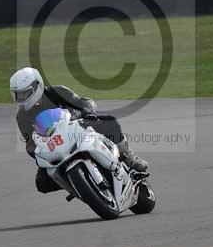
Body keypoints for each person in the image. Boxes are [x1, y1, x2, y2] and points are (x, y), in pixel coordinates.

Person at [9, 67, 148, 193]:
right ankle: (79, 185)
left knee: (109, 122)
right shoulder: (22, 116)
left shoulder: (55, 92)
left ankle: (128, 157)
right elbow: (30, 143)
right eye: (18, 95)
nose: (22, 98)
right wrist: (39, 154)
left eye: (25, 93)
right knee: (42, 183)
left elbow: (84, 102)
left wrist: (87, 111)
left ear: (37, 86)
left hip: (78, 129)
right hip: (54, 146)